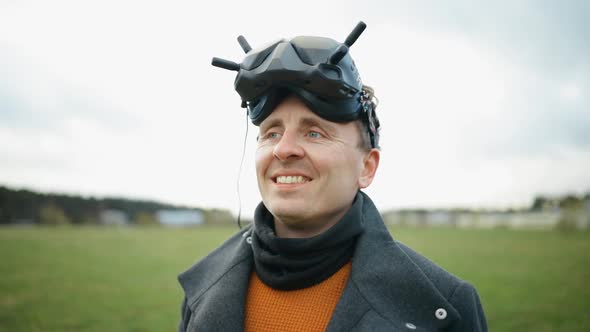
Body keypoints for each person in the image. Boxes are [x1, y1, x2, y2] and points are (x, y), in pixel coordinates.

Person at [178, 22, 487, 332]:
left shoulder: (445, 307)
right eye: (271, 132)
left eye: (314, 132)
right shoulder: (203, 287)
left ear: (367, 167)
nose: (283, 150)